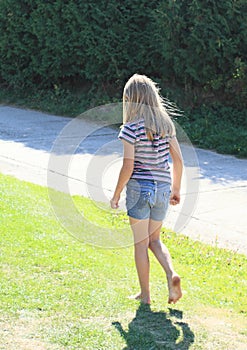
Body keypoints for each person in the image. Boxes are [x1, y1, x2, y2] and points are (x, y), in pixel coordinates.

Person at [110, 74, 183, 304]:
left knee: (141, 244)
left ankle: (146, 295)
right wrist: (176, 189)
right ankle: (171, 275)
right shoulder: (166, 126)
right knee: (155, 240)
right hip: (162, 189)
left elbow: (128, 165)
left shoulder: (130, 129)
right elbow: (179, 161)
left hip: (140, 189)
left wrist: (117, 192)